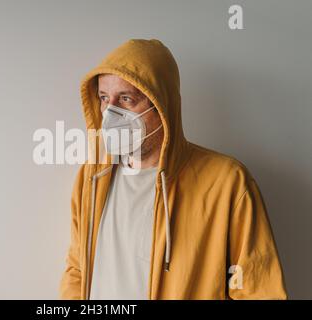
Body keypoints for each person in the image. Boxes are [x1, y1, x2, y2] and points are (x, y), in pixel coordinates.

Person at [59, 39, 287, 300]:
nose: (111, 112)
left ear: (162, 104)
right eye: (104, 98)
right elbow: (78, 268)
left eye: (126, 99)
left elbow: (259, 290)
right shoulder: (92, 177)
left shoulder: (227, 183)